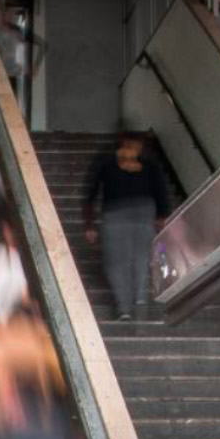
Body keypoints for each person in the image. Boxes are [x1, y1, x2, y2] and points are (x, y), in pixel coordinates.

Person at [81, 130, 170, 320]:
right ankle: (139, 298)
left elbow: (91, 191)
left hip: (115, 213)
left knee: (116, 264)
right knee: (140, 258)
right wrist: (162, 216)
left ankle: (124, 307)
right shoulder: (148, 163)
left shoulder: (107, 161)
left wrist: (89, 224)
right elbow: (160, 190)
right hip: (144, 211)